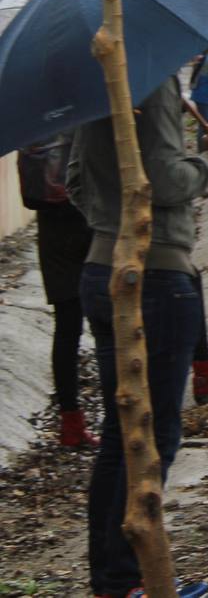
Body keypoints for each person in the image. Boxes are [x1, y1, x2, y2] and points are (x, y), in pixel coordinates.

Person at [68, 77, 208, 597]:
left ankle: (113, 581)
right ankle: (130, 582)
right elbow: (165, 181)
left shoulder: (97, 80)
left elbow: (76, 179)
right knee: (155, 434)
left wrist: (110, 225)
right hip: (158, 275)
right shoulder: (150, 79)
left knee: (120, 438)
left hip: (101, 268)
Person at [17, 132, 98, 448]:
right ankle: (123, 410)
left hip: (52, 231)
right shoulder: (86, 109)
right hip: (87, 220)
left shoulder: (35, 119)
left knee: (67, 329)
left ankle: (71, 423)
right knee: (109, 322)